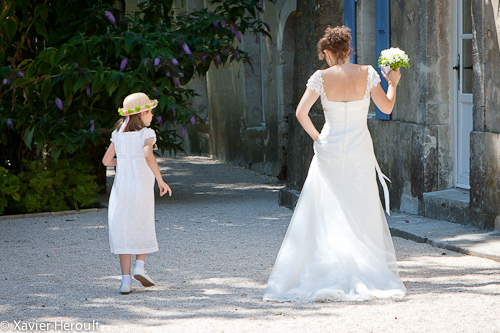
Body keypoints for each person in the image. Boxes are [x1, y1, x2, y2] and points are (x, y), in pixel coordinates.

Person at [263, 26, 407, 302]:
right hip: (359, 147)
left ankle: (330, 263)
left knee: (326, 205)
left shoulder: (320, 77)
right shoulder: (367, 73)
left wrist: (318, 138)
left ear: (328, 53)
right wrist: (393, 82)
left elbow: (301, 112)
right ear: (349, 50)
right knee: (359, 202)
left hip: (330, 146)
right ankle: (363, 265)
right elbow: (386, 108)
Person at [102, 92, 172, 294]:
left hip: (121, 189)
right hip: (140, 187)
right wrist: (160, 179)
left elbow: (106, 161)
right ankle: (140, 267)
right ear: (143, 113)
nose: (152, 116)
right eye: (150, 112)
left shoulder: (118, 135)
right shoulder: (146, 134)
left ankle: (125, 281)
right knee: (142, 222)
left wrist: (123, 161)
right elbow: (147, 154)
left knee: (122, 228)